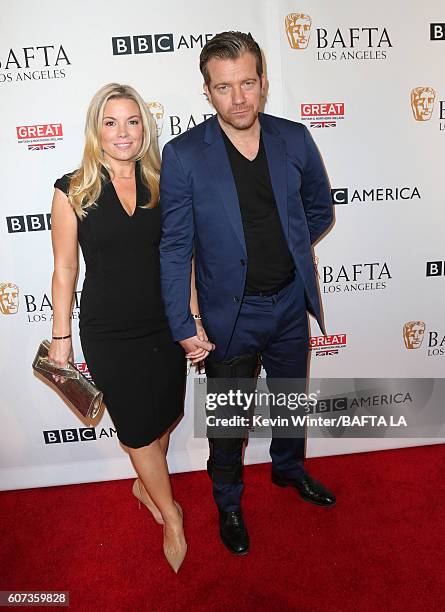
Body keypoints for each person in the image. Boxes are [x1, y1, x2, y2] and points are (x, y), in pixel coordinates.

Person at [160, 32, 336, 556]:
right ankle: (229, 503)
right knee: (228, 426)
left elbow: (320, 209)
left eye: (247, 83)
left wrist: (293, 247)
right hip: (226, 317)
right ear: (207, 91)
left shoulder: (295, 138)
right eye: (223, 87)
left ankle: (288, 470)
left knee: (288, 403)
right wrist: (183, 321)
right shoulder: (184, 155)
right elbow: (174, 248)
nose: (238, 99)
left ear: (262, 82)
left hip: (288, 305)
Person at [49, 83, 209, 572]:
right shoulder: (72, 188)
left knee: (164, 417)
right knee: (138, 431)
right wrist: (61, 338)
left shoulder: (165, 184)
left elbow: (184, 261)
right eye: (111, 122)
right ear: (97, 129)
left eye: (132, 121)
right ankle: (171, 513)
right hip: (108, 332)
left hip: (163, 325)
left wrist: (194, 318)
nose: (123, 132)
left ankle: (146, 483)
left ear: (145, 127)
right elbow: (64, 269)